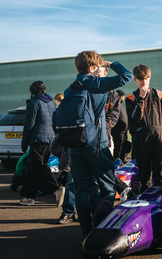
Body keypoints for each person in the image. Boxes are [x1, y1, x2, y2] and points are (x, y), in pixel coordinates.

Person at [64, 51, 133, 238]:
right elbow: (127, 76)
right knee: (108, 186)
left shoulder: (71, 88)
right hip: (96, 145)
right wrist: (110, 64)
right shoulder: (98, 84)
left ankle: (86, 232)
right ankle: (104, 226)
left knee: (81, 190)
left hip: (75, 146)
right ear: (93, 67)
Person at [125, 64, 162, 193]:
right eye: (141, 79)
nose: (144, 82)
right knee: (144, 174)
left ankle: (161, 200)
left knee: (160, 174)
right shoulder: (131, 98)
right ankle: (144, 201)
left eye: (146, 79)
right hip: (141, 139)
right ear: (135, 80)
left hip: (159, 137)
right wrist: (141, 98)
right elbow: (133, 118)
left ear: (150, 78)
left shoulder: (160, 95)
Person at [20, 81, 64, 206]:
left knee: (38, 167)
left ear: (32, 91)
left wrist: (24, 144)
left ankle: (56, 189)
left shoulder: (34, 102)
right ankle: (28, 197)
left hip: (38, 139)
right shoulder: (50, 103)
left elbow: (29, 125)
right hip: (50, 139)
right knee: (34, 168)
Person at [50, 136, 76, 224]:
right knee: (71, 184)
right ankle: (69, 213)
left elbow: (54, 148)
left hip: (91, 153)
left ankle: (69, 213)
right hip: (73, 157)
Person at [111, 90, 129, 162]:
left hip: (123, 132)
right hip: (118, 131)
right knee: (118, 149)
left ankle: (122, 161)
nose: (123, 99)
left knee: (123, 148)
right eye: (123, 97)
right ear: (120, 96)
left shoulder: (119, 105)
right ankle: (117, 162)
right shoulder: (116, 105)